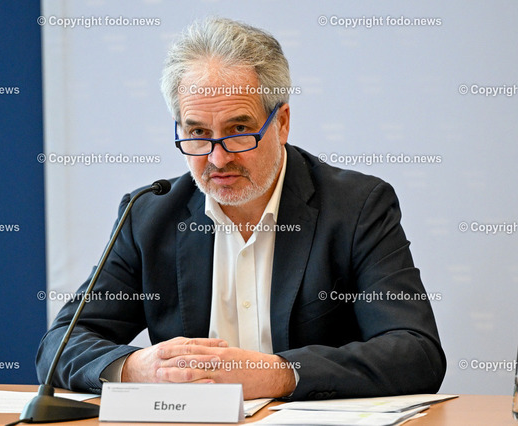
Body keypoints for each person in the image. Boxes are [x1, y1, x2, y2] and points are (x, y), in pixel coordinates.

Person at [36, 17, 446, 401]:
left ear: (281, 123)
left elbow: (416, 352)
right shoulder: (150, 215)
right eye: (198, 133)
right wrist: (136, 368)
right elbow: (59, 346)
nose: (218, 159)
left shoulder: (356, 207)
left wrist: (278, 373)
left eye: (238, 130)